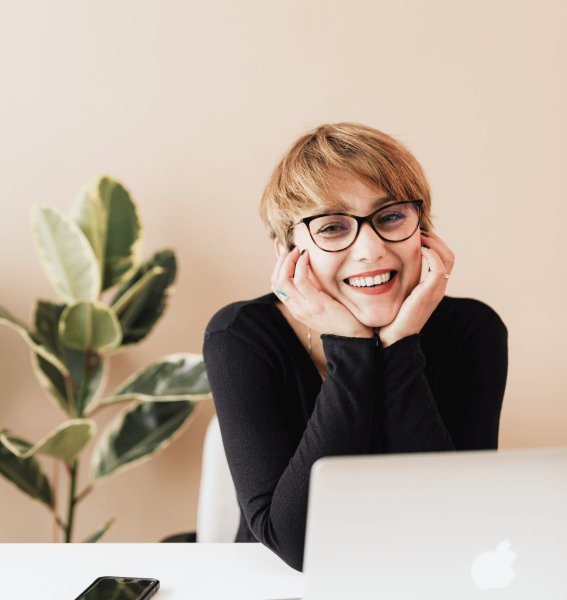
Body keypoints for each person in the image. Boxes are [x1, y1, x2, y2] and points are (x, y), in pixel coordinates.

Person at [202, 122, 508, 572]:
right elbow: (297, 544)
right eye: (331, 227)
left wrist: (399, 345)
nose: (370, 250)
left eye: (390, 217)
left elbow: (458, 521)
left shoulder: (472, 329)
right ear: (288, 250)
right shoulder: (241, 337)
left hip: (423, 580)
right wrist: (350, 347)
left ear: (422, 229)